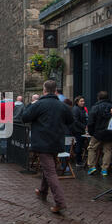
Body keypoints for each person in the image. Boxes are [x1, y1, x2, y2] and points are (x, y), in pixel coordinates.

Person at [20, 80, 74, 213]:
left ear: (44, 90)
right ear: (55, 90)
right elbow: (70, 120)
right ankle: (43, 191)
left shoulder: (39, 104)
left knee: (50, 172)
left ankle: (60, 202)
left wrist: (30, 105)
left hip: (43, 143)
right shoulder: (62, 106)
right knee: (49, 167)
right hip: (56, 142)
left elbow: (24, 117)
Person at [87, 91, 112, 177]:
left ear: (98, 98)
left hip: (98, 133)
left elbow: (91, 121)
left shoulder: (95, 107)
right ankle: (104, 169)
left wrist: (91, 132)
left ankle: (91, 166)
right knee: (108, 151)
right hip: (109, 132)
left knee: (92, 148)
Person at [71, 96, 88, 167]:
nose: (83, 102)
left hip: (82, 130)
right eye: (81, 101)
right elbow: (75, 121)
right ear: (77, 102)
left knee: (81, 145)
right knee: (79, 145)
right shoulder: (76, 109)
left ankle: (80, 160)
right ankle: (78, 161)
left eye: (83, 101)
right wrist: (84, 126)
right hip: (77, 130)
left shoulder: (82, 109)